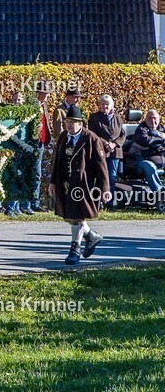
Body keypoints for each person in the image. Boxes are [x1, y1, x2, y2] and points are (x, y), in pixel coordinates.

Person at [49, 104, 109, 265]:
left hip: (83, 185)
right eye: (68, 121)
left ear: (81, 124)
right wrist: (53, 182)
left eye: (73, 122)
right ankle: (91, 236)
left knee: (76, 217)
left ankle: (74, 250)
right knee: (70, 216)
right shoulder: (63, 137)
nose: (69, 124)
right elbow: (57, 162)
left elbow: (101, 165)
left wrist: (105, 189)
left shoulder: (91, 138)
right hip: (65, 183)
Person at [87, 95, 126, 210]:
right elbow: (93, 133)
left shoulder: (118, 118)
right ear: (99, 105)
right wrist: (105, 143)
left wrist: (114, 144)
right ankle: (97, 202)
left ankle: (110, 203)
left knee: (112, 177)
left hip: (115, 152)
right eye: (102, 104)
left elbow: (123, 135)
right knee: (100, 176)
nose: (105, 106)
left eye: (107, 104)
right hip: (100, 151)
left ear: (112, 106)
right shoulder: (94, 117)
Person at [123, 109, 165, 208]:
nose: (153, 121)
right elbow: (145, 141)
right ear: (145, 119)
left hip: (160, 159)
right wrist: (161, 138)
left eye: (155, 118)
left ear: (159, 119)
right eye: (150, 118)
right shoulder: (141, 129)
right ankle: (160, 192)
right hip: (139, 160)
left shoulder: (161, 129)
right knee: (149, 166)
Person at [32, 81, 53, 212]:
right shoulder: (33, 106)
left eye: (47, 94)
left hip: (41, 142)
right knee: (34, 173)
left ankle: (35, 201)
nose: (47, 96)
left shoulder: (43, 105)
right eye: (44, 94)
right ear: (38, 93)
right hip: (33, 143)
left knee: (38, 173)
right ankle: (31, 201)